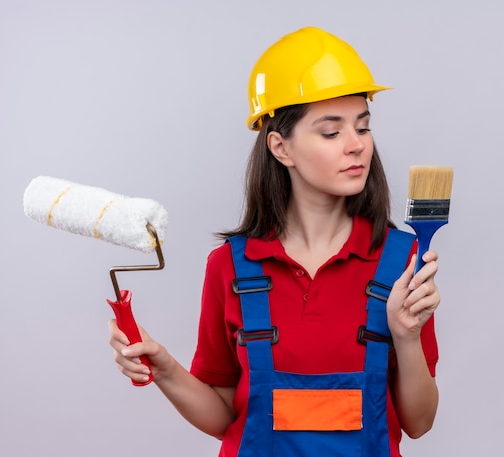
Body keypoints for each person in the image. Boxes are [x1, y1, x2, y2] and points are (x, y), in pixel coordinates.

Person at [109, 26, 441, 457]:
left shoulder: (402, 262)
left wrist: (406, 335)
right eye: (331, 131)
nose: (357, 145)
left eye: (363, 126)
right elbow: (224, 416)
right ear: (281, 148)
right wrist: (166, 369)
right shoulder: (231, 266)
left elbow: (420, 422)